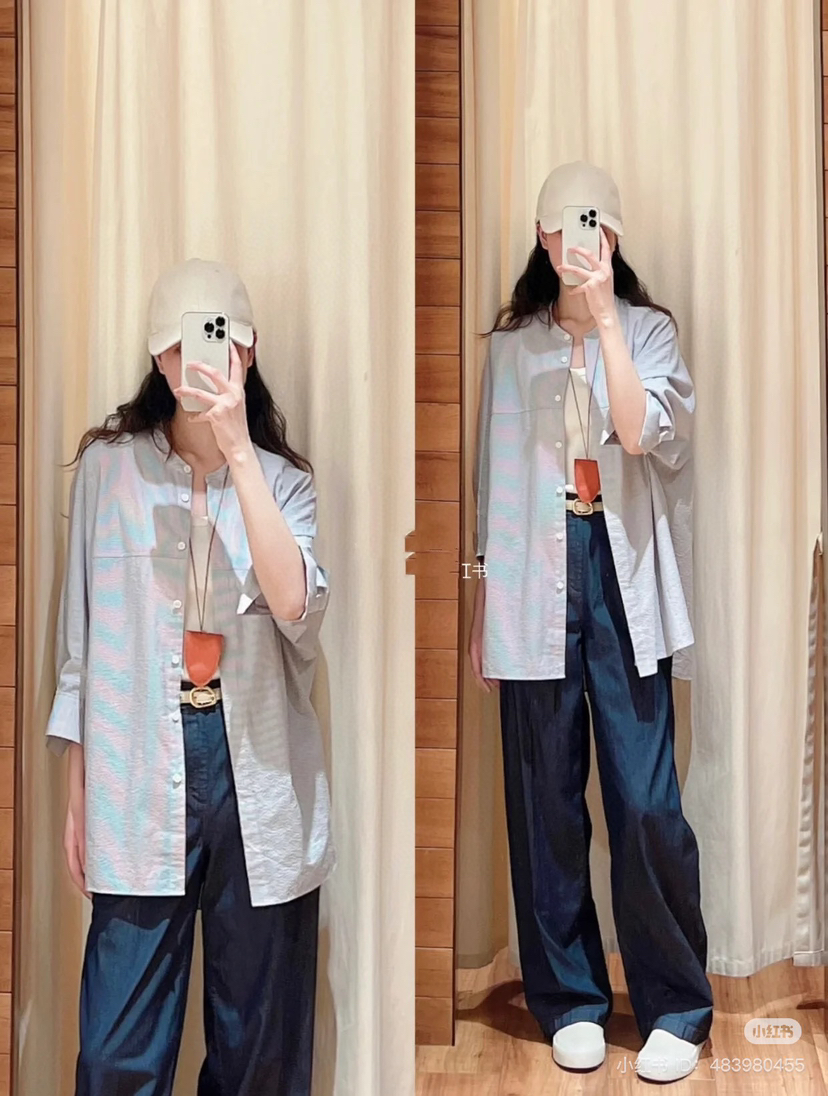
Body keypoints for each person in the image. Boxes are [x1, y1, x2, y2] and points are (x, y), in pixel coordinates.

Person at [45, 258, 335, 1096]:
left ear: (248, 351)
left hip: (260, 769)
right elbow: (81, 647)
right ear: (156, 355)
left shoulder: (284, 483)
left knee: (258, 1050)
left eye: (217, 341)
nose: (196, 362)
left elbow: (298, 610)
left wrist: (240, 454)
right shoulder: (108, 472)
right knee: (116, 1050)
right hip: (136, 759)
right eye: (179, 345)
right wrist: (78, 788)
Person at [469, 162, 713, 1083]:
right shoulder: (511, 346)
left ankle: (676, 1003)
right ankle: (568, 996)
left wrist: (606, 317)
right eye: (566, 228)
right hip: (531, 574)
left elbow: (644, 435)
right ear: (543, 237)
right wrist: (483, 600)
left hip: (624, 569)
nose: (580, 242)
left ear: (613, 236)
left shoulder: (649, 332)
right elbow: (493, 480)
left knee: (644, 799)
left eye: (596, 226)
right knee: (544, 796)